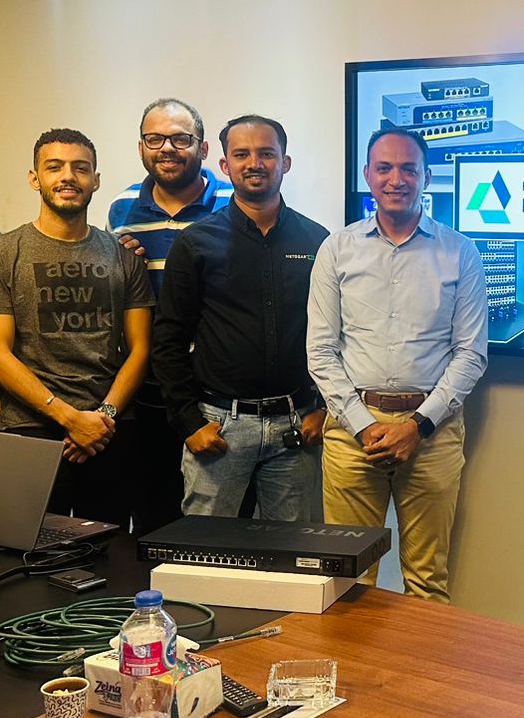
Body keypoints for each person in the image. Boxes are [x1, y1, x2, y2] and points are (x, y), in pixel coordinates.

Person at [306, 127, 487, 602]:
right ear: (367, 175)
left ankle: (423, 658)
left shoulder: (460, 252)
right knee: (346, 581)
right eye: (384, 168)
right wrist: (364, 426)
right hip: (352, 433)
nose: (396, 179)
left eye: (409, 168)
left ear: (427, 177)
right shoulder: (337, 249)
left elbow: (471, 353)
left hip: (432, 433)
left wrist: (418, 426)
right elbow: (321, 351)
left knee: (428, 582)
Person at [0, 129, 154, 521]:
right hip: (31, 428)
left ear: (96, 180)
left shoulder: (124, 258)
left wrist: (103, 416)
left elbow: (140, 349)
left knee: (108, 548)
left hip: (109, 429)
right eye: (54, 167)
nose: (68, 176)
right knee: (29, 547)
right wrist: (70, 418)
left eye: (80, 168)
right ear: (34, 178)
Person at [153, 115, 329, 522]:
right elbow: (168, 340)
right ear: (225, 165)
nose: (254, 163)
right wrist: (189, 423)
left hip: (296, 426)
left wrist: (322, 407)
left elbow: (333, 334)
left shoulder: (317, 241)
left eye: (266, 153)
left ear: (285, 162)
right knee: (206, 551)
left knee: (292, 552)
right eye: (242, 154)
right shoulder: (195, 243)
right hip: (220, 427)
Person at [108, 99, 233, 531]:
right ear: (141, 147)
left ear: (202, 148)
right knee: (154, 519)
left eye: (181, 139)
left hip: (219, 386)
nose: (167, 148)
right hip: (151, 387)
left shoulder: (233, 201)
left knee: (220, 524)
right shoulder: (122, 207)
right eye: (155, 139)